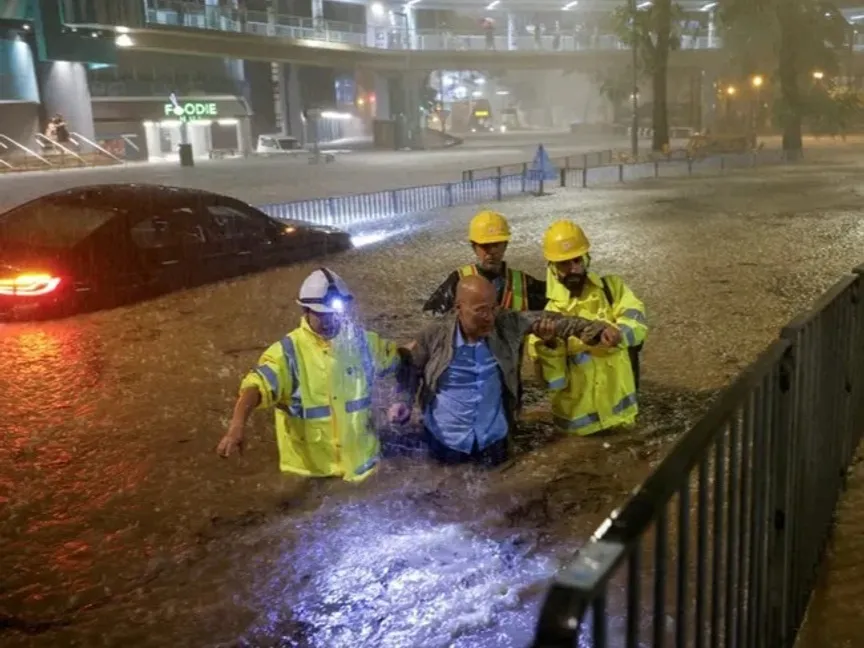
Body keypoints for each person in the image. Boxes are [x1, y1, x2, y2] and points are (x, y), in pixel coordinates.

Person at [389, 275, 615, 466]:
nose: (489, 317)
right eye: (480, 311)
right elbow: (410, 369)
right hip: (445, 441)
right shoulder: (433, 335)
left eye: (493, 308)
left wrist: (596, 330)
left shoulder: (506, 323)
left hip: (494, 440)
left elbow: (556, 321)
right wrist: (403, 401)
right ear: (459, 308)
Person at [217, 268, 410, 482]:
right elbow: (255, 387)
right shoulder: (287, 353)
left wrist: (402, 398)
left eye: (335, 313)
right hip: (312, 476)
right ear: (305, 311)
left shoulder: (364, 343)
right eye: (322, 314)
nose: (330, 320)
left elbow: (403, 360)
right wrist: (237, 426)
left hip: (364, 468)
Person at [530, 220, 648, 436]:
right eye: (564, 264)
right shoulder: (547, 317)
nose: (573, 268)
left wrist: (620, 334)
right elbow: (552, 383)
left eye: (577, 260)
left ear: (586, 258)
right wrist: (549, 345)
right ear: (552, 269)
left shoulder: (613, 289)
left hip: (623, 420)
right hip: (578, 432)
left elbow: (639, 321)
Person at [423, 210, 547, 315]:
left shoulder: (523, 283)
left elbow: (555, 298)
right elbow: (432, 314)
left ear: (505, 246)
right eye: (485, 246)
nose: (491, 252)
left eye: (496, 245)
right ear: (474, 247)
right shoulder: (459, 280)